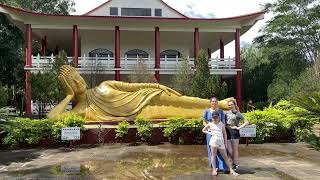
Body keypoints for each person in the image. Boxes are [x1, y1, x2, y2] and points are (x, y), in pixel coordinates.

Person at [48, 65, 234, 121]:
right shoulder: (81, 109)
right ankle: (220, 113)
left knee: (181, 99)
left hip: (146, 95)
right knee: (181, 112)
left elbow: (132, 87)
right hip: (141, 113)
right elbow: (52, 118)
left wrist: (157, 86)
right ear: (70, 87)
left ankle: (222, 104)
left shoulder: (103, 85)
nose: (80, 83)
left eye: (79, 78)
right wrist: (68, 96)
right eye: (74, 83)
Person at [202, 110, 239, 176]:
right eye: (213, 117)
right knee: (213, 156)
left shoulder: (221, 124)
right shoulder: (210, 124)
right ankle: (214, 170)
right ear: (212, 118)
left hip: (221, 142)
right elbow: (203, 130)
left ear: (219, 117)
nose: (215, 119)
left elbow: (224, 134)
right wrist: (209, 132)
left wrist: (225, 143)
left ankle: (231, 170)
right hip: (213, 142)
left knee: (225, 156)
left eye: (216, 117)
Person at [203, 97, 228, 172]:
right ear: (210, 103)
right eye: (212, 101)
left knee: (221, 150)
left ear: (217, 103)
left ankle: (222, 166)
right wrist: (208, 128)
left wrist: (222, 130)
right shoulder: (206, 111)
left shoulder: (220, 111)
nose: (214, 102)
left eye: (215, 101)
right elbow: (204, 121)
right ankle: (214, 167)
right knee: (212, 151)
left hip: (219, 132)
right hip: (210, 133)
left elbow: (223, 121)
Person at [225, 99, 249, 169]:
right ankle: (231, 162)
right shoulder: (226, 113)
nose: (230, 106)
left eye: (231, 104)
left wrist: (239, 128)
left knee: (234, 149)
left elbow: (247, 122)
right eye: (229, 105)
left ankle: (235, 164)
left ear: (235, 105)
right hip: (227, 132)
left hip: (235, 132)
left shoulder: (238, 113)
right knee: (229, 149)